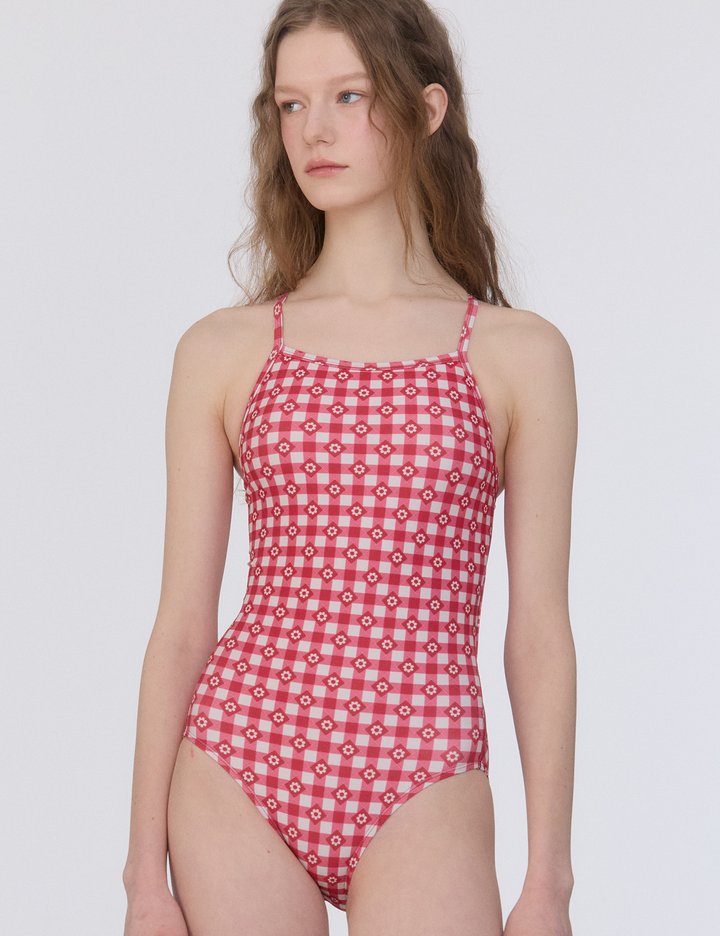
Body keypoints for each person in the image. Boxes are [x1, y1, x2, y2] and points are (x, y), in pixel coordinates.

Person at [122, 1, 577, 934]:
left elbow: (537, 630)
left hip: (426, 770)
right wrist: (141, 882)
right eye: (291, 104)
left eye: (349, 96)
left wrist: (548, 883)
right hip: (241, 754)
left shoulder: (519, 355)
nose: (314, 131)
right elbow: (181, 622)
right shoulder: (225, 349)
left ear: (428, 108)